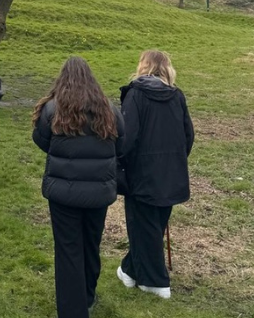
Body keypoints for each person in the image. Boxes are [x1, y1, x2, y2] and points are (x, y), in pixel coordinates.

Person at [32, 57, 124, 318]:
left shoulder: (52, 110)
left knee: (68, 249)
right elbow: (122, 144)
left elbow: (41, 140)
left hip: (64, 193)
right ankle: (87, 295)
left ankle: (74, 308)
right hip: (98, 191)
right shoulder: (109, 110)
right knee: (91, 243)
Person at [117, 50, 194, 300]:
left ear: (143, 67)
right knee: (150, 226)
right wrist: (176, 160)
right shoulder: (176, 96)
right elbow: (188, 136)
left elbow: (126, 137)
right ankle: (129, 270)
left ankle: (155, 281)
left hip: (143, 173)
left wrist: (121, 162)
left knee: (146, 225)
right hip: (170, 173)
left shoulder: (137, 94)